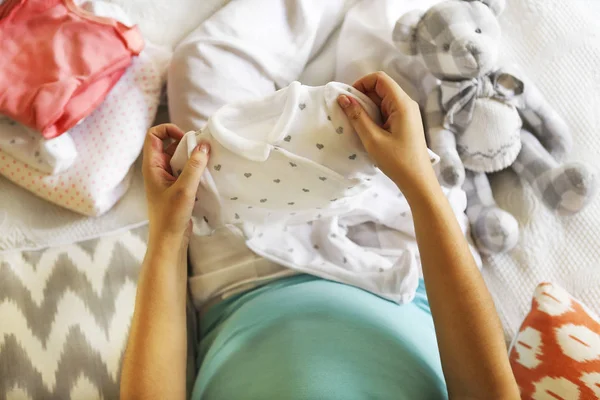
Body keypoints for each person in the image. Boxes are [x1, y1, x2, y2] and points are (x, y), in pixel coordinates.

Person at [120, 71, 520, 400]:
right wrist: (418, 182)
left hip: (245, 279)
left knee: (206, 64)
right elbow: (489, 390)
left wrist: (168, 236)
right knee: (379, 92)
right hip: (400, 272)